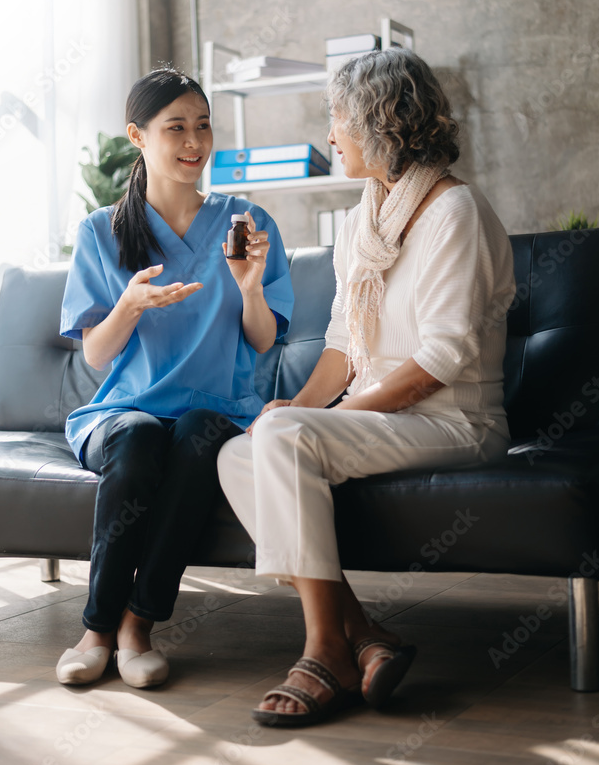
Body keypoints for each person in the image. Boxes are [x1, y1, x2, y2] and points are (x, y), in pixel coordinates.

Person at [217, 46, 517, 726]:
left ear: (381, 121)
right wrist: (291, 410)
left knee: (283, 438)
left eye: (337, 117)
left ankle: (324, 651)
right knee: (239, 452)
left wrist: (329, 418)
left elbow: (440, 361)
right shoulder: (362, 219)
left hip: (455, 422)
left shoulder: (453, 212)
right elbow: (344, 347)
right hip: (386, 417)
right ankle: (367, 635)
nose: (330, 134)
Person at [56, 67, 293, 689]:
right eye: (176, 128)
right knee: (138, 437)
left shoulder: (245, 218)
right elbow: (97, 358)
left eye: (204, 125)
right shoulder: (101, 232)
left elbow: (264, 339)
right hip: (124, 411)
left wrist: (248, 288)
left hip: (218, 407)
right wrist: (129, 305)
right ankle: (96, 629)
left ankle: (139, 623)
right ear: (138, 136)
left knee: (193, 434)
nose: (195, 142)